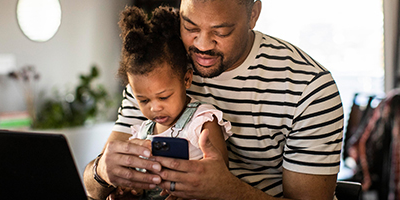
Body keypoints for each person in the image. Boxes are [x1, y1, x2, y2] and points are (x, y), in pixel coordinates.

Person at [83, 0, 344, 199]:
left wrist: (226, 191)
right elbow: (91, 186)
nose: (203, 45)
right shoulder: (159, 69)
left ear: (253, 14)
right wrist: (103, 172)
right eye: (190, 27)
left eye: (221, 31)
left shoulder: (309, 87)